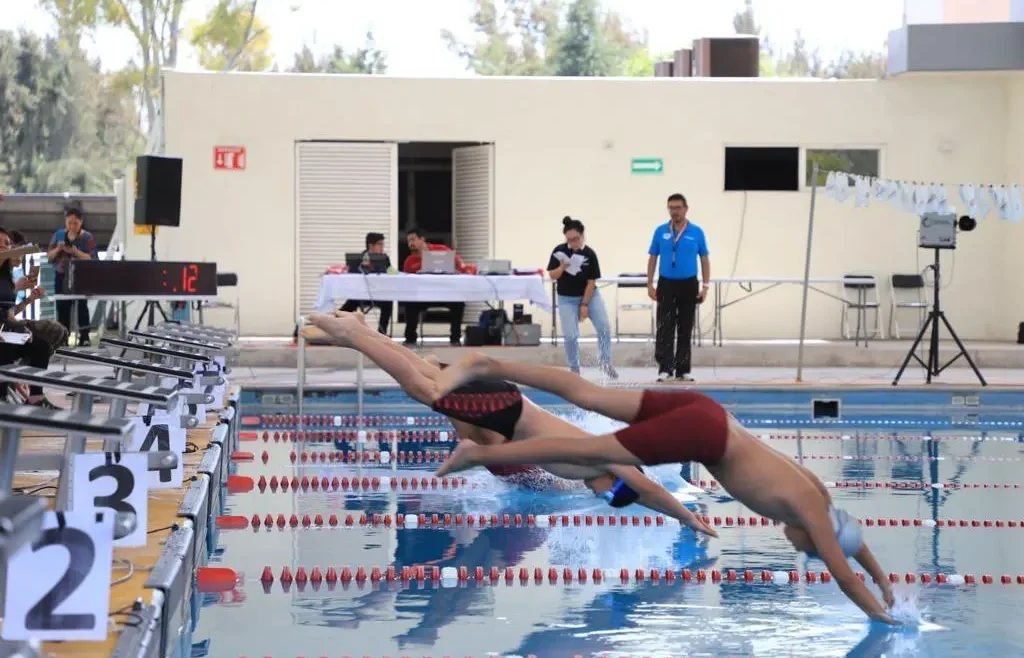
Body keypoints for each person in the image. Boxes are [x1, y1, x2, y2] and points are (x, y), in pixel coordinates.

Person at [432, 353, 897, 624]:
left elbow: (851, 544)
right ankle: (480, 455)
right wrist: (882, 616)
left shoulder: (821, 498)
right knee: (593, 452)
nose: (792, 542)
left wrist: (881, 575)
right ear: (818, 539)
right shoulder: (812, 514)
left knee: (588, 396)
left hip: (711, 413)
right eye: (807, 549)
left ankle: (486, 362)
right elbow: (843, 572)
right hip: (706, 439)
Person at [301, 311, 716, 536]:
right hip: (506, 409)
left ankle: (360, 331)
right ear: (617, 483)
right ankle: (355, 335)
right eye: (610, 495)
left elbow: (638, 490)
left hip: (507, 407)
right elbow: (649, 490)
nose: (600, 495)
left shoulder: (592, 469)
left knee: (426, 376)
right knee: (425, 390)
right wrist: (689, 518)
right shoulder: (607, 461)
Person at [646, 193, 710, 383]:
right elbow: (652, 258)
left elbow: (704, 259)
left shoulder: (696, 232)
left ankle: (683, 369)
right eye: (671, 208)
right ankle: (665, 368)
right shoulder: (660, 231)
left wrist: (705, 286)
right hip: (666, 284)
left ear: (686, 209)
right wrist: (650, 283)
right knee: (665, 327)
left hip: (689, 284)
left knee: (685, 327)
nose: (675, 212)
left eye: (678, 208)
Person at [548, 216, 616, 378]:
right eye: (569, 240)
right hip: (566, 298)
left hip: (589, 295)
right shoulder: (559, 251)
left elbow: (591, 282)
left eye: (576, 239)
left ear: (582, 235)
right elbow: (552, 275)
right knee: (571, 335)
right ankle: (574, 368)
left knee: (604, 327)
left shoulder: (589, 254)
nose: (573, 243)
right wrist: (563, 267)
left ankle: (605, 361)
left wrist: (584, 305)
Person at [0, 228, 60, 408]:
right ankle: (3, 398)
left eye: (6, 244)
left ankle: (36, 398)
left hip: (6, 330)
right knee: (6, 347)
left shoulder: (6, 277)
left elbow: (9, 313)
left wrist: (29, 301)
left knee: (40, 346)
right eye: (0, 243)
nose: (3, 246)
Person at [401, 228, 472, 347]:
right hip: (423, 295)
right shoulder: (409, 260)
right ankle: (410, 338)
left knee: (459, 303)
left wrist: (460, 270)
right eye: (408, 241)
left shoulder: (442, 249)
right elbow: (407, 282)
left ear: (422, 239)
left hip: (444, 293)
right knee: (410, 304)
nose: (410, 244)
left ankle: (455, 338)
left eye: (413, 240)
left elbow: (458, 263)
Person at [8, 231, 69, 354]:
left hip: (10, 324)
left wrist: (29, 299)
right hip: (7, 327)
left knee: (61, 332)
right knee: (53, 331)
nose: (22, 255)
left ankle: (31, 359)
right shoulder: (6, 279)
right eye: (19, 250)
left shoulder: (8, 275)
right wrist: (15, 288)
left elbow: (9, 311)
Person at [47, 207, 95, 346]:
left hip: (81, 277)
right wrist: (58, 249)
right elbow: (49, 256)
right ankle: (62, 338)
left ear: (81, 222)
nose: (72, 226)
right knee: (62, 307)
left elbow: (92, 258)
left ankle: (84, 337)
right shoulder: (59, 235)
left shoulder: (87, 237)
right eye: (69, 223)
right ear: (65, 222)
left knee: (82, 307)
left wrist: (76, 252)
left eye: (75, 223)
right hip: (62, 275)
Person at [339, 231, 393, 334]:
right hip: (361, 294)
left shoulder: (385, 258)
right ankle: (332, 324)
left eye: (383, 244)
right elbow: (353, 274)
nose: (382, 247)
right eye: (380, 244)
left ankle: (382, 333)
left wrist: (395, 273)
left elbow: (391, 271)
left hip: (379, 294)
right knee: (349, 304)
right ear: (371, 246)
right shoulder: (359, 259)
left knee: (388, 303)